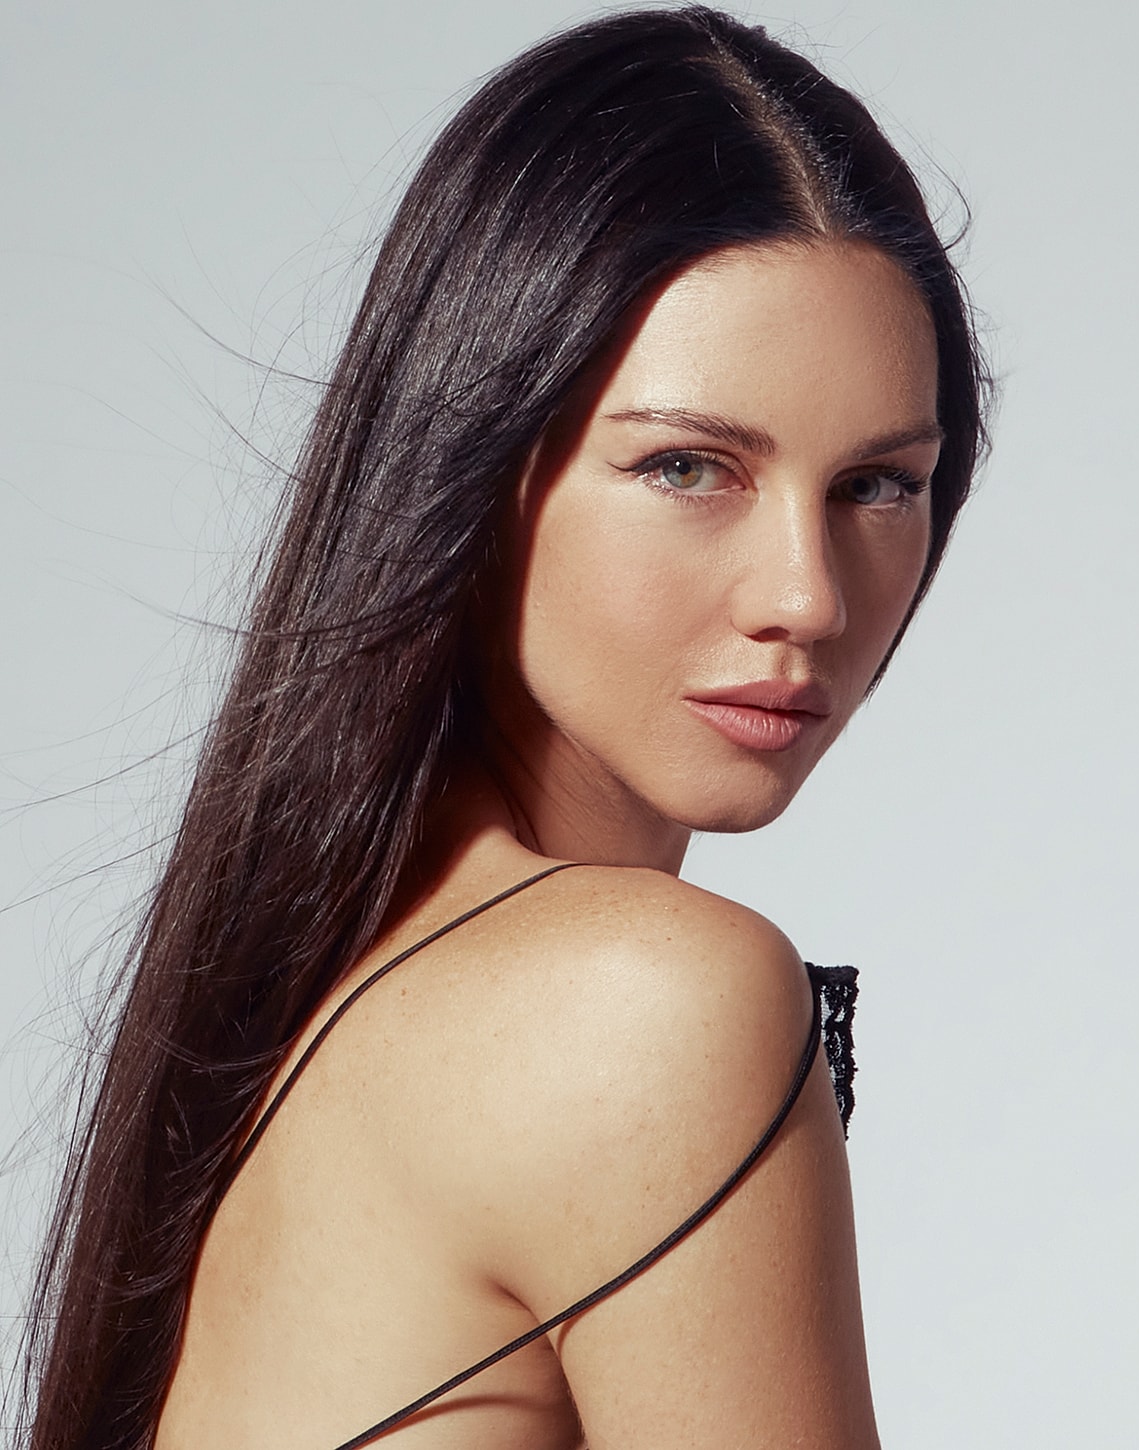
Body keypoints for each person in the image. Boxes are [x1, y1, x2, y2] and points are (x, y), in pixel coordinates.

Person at [18, 7, 989, 1448]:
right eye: (686, 466)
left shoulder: (326, 991)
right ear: (478, 463)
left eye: (876, 487)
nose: (804, 594)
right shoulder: (648, 1002)